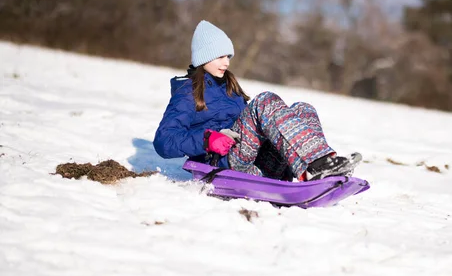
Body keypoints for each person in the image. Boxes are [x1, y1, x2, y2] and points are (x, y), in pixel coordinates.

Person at [153, 20, 361, 181]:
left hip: (253, 161)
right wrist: (207, 140)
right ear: (203, 57)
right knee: (264, 100)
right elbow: (164, 141)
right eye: (220, 57)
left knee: (303, 109)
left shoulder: (229, 87)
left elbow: (252, 129)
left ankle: (324, 165)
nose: (226, 63)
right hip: (223, 163)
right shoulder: (187, 92)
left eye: (228, 57)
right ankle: (314, 167)